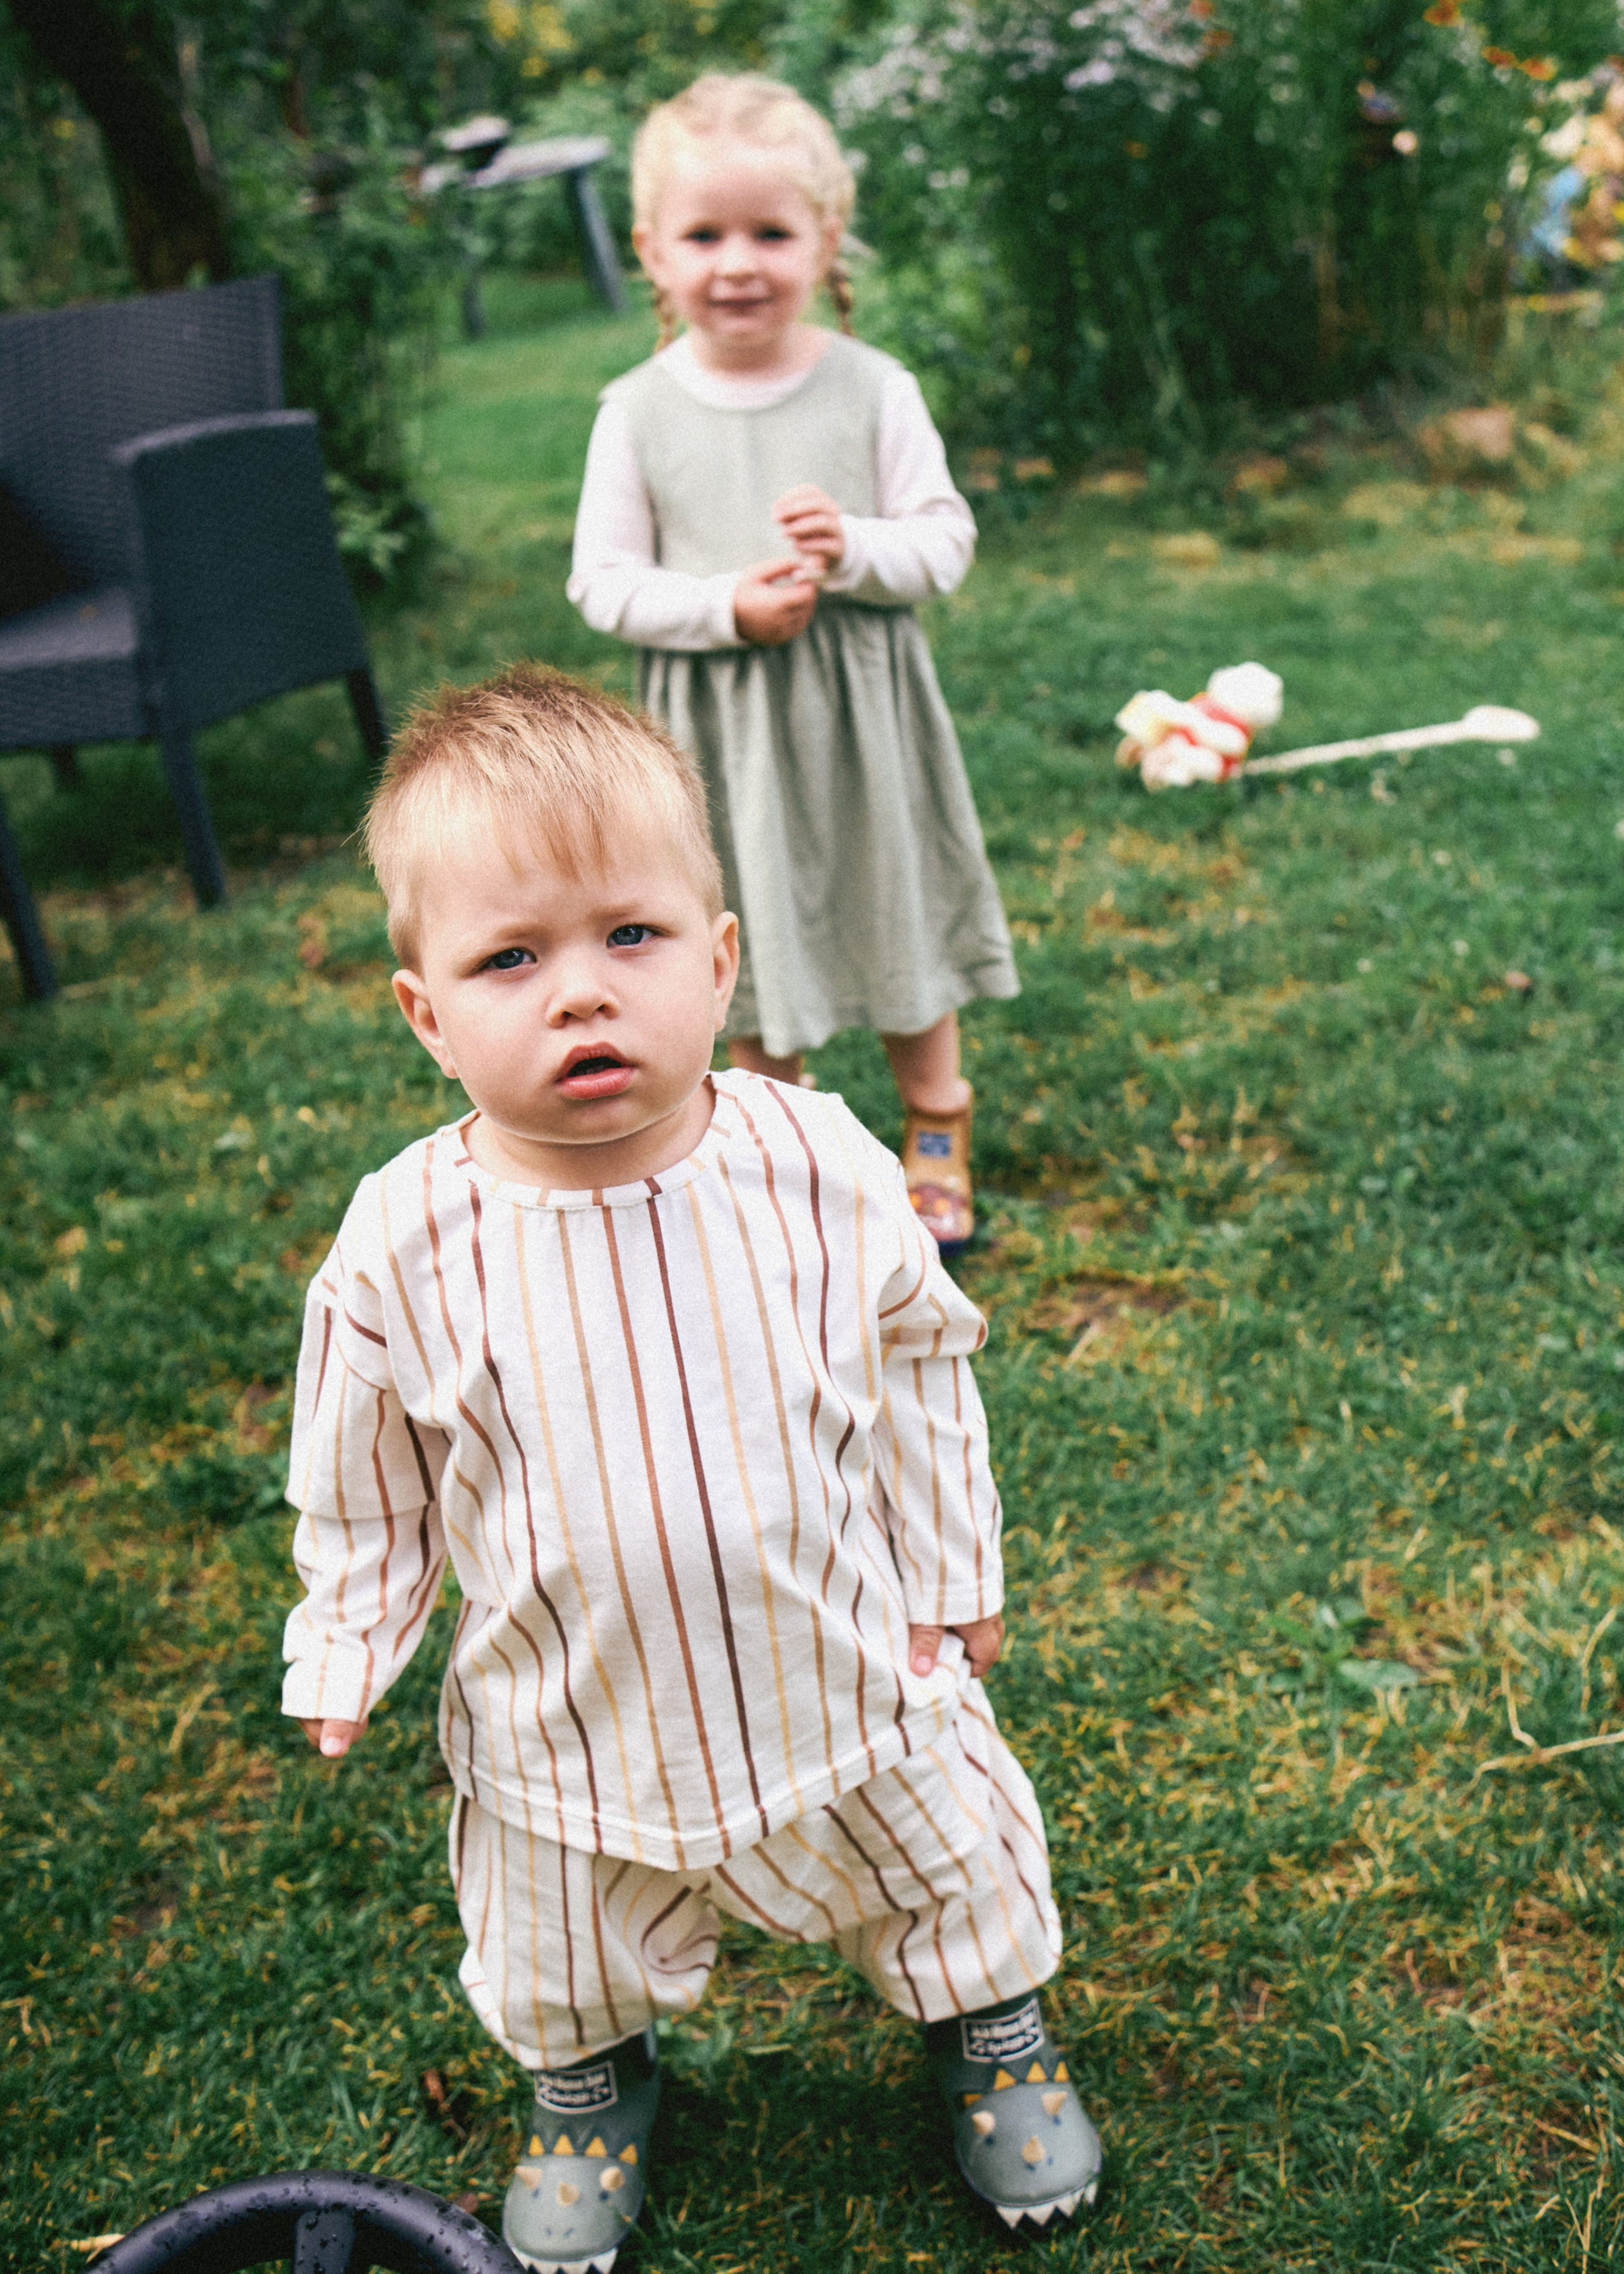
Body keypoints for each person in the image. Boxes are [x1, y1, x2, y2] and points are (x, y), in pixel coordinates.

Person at [280, 666, 1101, 2274]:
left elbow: (921, 1359)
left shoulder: (816, 1160)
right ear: (424, 1008)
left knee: (944, 1858)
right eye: (510, 957)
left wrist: (951, 1572)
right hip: (562, 1706)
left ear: (720, 960)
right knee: (555, 1931)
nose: (579, 993)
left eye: (628, 937)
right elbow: (359, 1468)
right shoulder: (403, 1237)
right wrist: (345, 1635)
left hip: (841, 1660)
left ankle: (990, 2026)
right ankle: (587, 2085)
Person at [568, 72, 1018, 1255]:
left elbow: (946, 539)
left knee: (894, 909)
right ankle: (784, 1158)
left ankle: (935, 1124)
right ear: (652, 253)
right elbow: (601, 580)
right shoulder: (636, 411)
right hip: (720, 736)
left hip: (866, 725)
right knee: (749, 933)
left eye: (772, 232)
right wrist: (724, 602)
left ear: (826, 237)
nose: (738, 263)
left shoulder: (874, 389)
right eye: (704, 235)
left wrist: (857, 549)